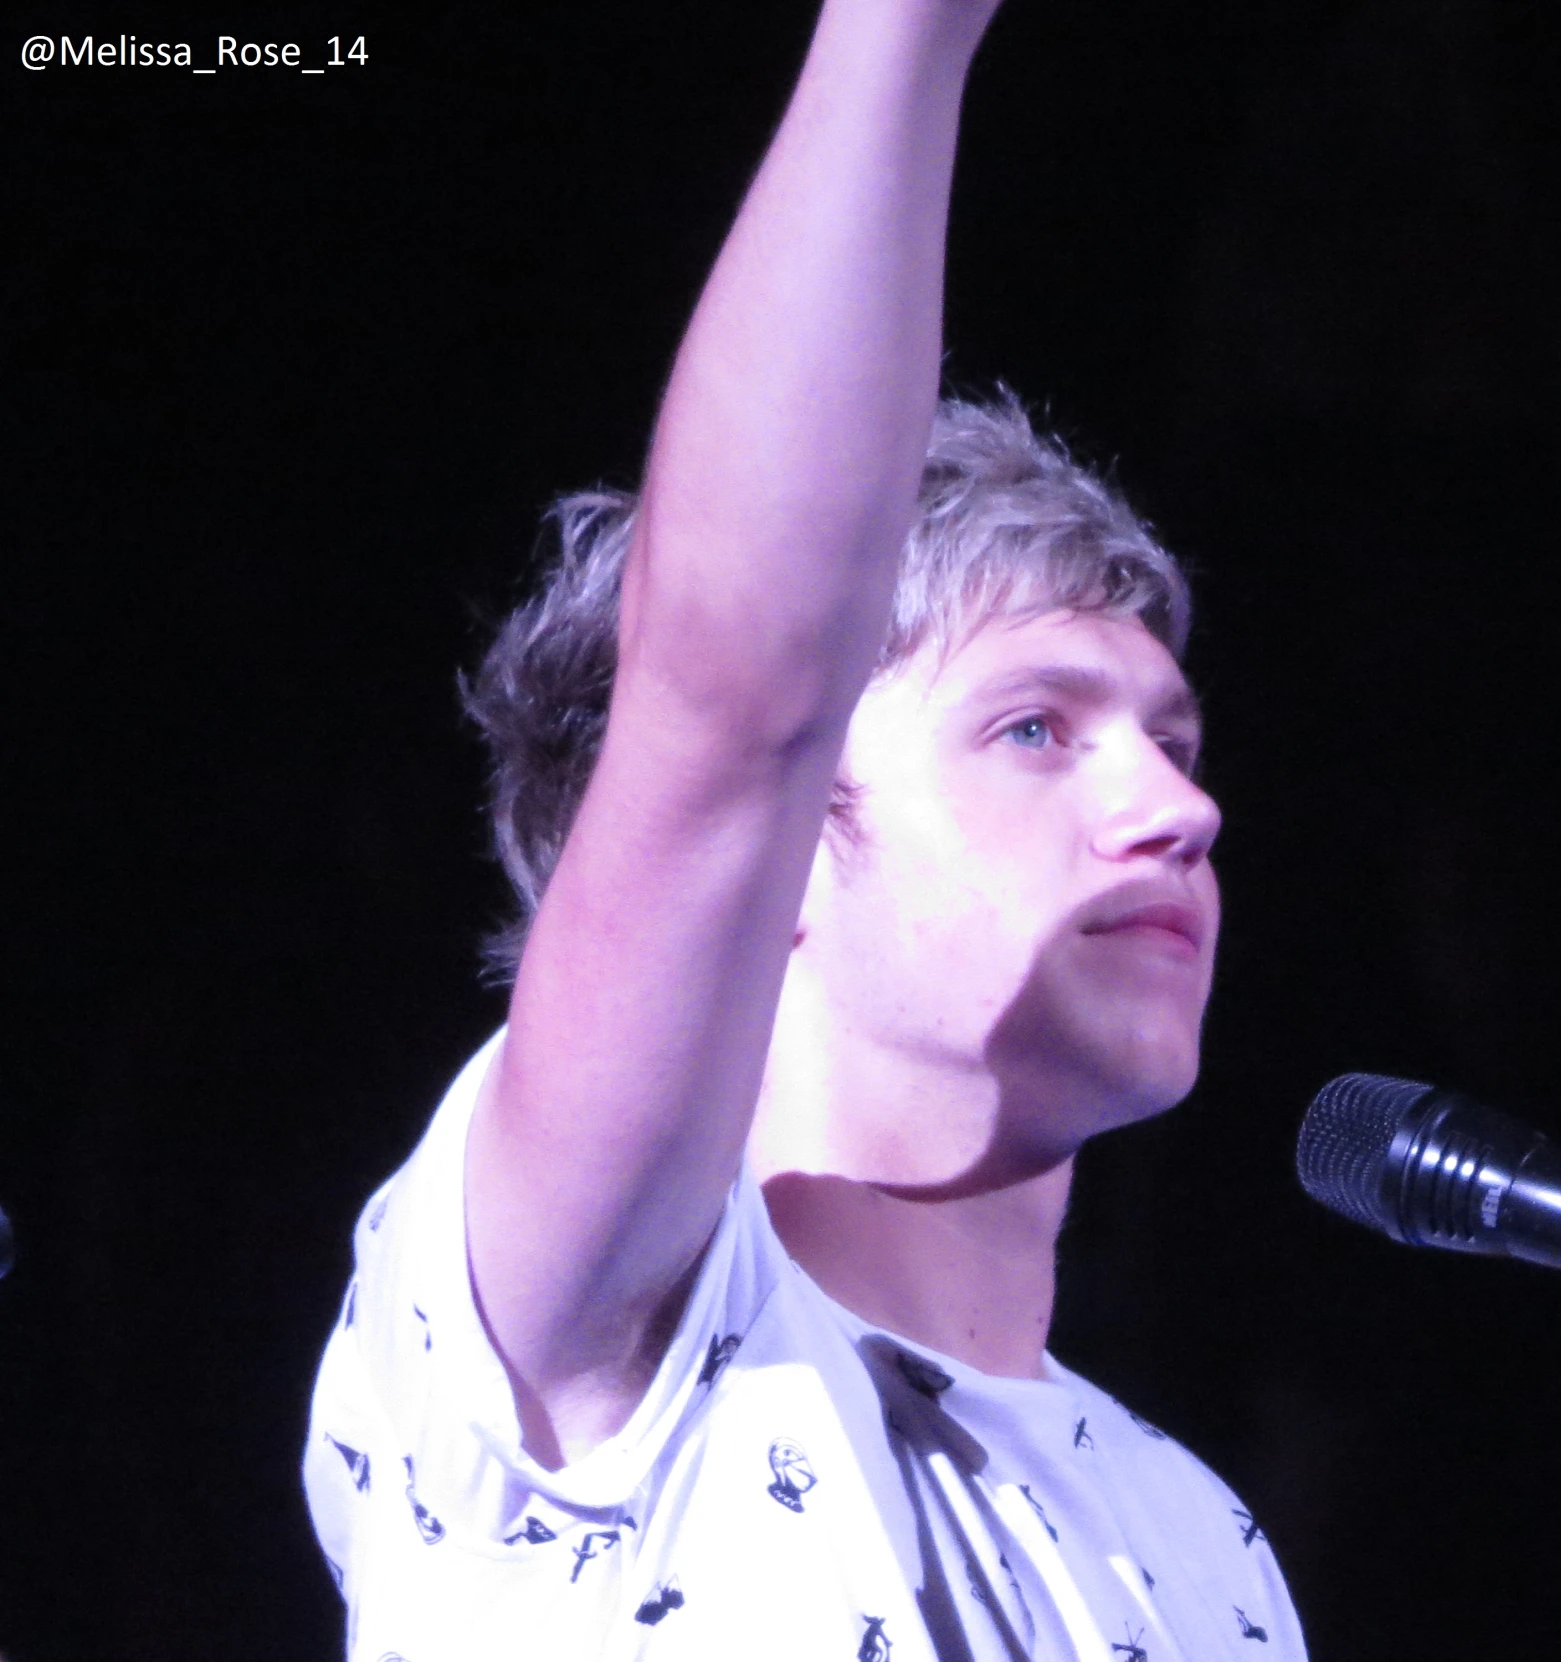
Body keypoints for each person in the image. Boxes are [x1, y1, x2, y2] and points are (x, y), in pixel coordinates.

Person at [302, 2, 1307, 1659]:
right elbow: (731, 696)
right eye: (1037, 729)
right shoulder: (579, 1327)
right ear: (782, 863)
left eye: (1174, 740)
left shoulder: (1204, 1536)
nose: (1178, 805)